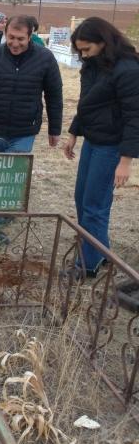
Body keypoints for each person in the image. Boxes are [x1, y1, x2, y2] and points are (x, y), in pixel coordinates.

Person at [63, 17, 139, 277]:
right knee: (82, 198)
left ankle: (88, 265)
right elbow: (87, 103)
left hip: (111, 147)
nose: (83, 55)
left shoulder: (128, 70)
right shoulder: (93, 65)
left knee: (94, 206)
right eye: (80, 51)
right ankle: (101, 251)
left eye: (87, 49)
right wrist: (74, 132)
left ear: (103, 42)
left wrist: (126, 160)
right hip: (92, 141)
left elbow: (134, 117)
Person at [0, 15, 63, 154]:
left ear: (29, 36)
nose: (15, 43)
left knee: (14, 167)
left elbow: (54, 96)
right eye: (11, 37)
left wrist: (54, 129)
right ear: (5, 34)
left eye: (20, 39)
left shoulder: (45, 58)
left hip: (25, 131)